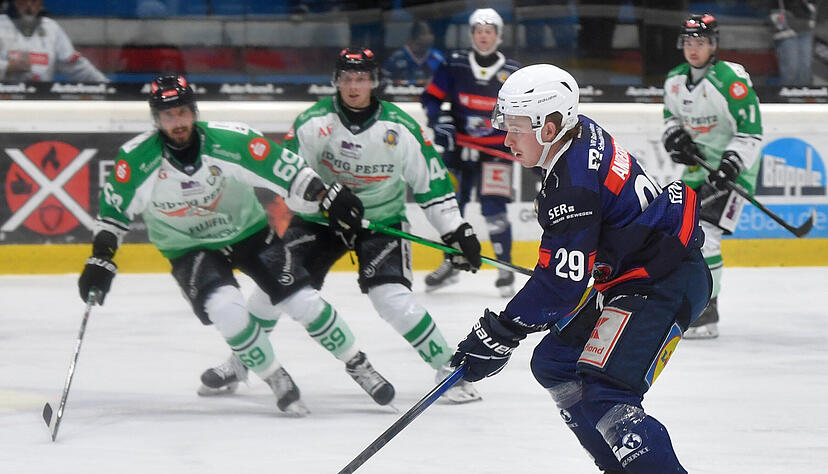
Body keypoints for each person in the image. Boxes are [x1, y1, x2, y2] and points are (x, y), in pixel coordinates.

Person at [77, 74, 396, 417]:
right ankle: (274, 376)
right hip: (188, 247)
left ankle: (358, 364)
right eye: (169, 116)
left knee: (303, 300)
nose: (178, 122)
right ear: (156, 119)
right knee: (226, 309)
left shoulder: (231, 140)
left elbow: (285, 170)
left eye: (183, 112)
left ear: (194, 111)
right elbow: (113, 216)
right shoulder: (135, 160)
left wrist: (325, 195)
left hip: (249, 233)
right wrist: (101, 258)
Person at [449, 64, 711, 473]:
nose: (507, 139)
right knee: (554, 362)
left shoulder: (571, 184)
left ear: (550, 128)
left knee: (608, 395)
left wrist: (502, 332)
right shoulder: (577, 131)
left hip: (664, 281)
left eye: (517, 128)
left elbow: (562, 286)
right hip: (637, 272)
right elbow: (570, 263)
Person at [198, 48, 484, 404]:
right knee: (276, 285)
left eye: (361, 78)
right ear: (336, 81)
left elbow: (431, 182)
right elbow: (286, 181)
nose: (354, 86)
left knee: (391, 298)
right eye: (347, 78)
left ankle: (450, 370)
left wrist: (455, 230)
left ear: (374, 82)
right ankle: (242, 362)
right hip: (320, 220)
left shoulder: (400, 126)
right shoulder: (313, 122)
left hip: (381, 221)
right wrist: (321, 201)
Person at [662, 13, 763, 338]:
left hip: (735, 173)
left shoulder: (730, 80)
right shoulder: (676, 79)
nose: (694, 49)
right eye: (689, 42)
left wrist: (732, 164)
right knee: (678, 232)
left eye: (701, 42)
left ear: (713, 45)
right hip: (697, 170)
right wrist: (675, 139)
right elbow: (671, 119)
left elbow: (751, 131)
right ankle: (688, 297)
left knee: (706, 233)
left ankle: (708, 309)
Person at [421, 7, 521, 297]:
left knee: (494, 210)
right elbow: (431, 99)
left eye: (489, 31)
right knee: (450, 208)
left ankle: (505, 266)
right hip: (458, 150)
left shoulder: (512, 72)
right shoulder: (455, 64)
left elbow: (522, 111)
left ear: (499, 36)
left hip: (495, 154)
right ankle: (452, 261)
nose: (483, 36)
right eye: (478, 31)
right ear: (471, 34)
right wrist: (439, 120)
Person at [0, 0, 108, 82]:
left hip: (41, 100)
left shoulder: (50, 27)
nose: (29, 6)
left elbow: (76, 66)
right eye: (23, 1)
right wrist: (8, 67)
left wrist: (106, 86)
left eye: (34, 1)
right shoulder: (1, 24)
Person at [770, 0, 818, 85]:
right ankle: (787, 95)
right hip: (786, 27)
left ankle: (804, 94)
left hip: (806, 25)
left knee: (805, 67)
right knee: (791, 67)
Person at [381, 20, 444, 86]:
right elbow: (384, 81)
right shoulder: (396, 58)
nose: (430, 37)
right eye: (425, 33)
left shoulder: (437, 57)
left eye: (431, 33)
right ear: (412, 38)